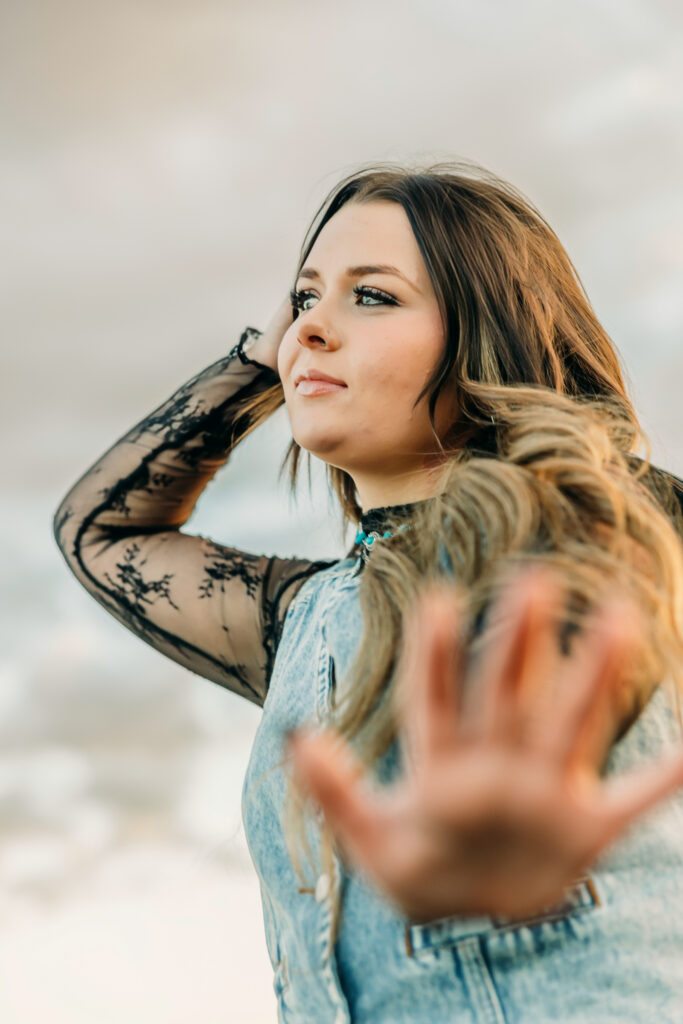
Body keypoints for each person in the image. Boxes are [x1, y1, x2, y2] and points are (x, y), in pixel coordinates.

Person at [53, 160, 683, 1023]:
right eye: (303, 298)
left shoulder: (624, 529)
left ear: (485, 332)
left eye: (374, 296)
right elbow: (101, 533)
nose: (311, 327)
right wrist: (266, 351)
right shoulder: (303, 619)